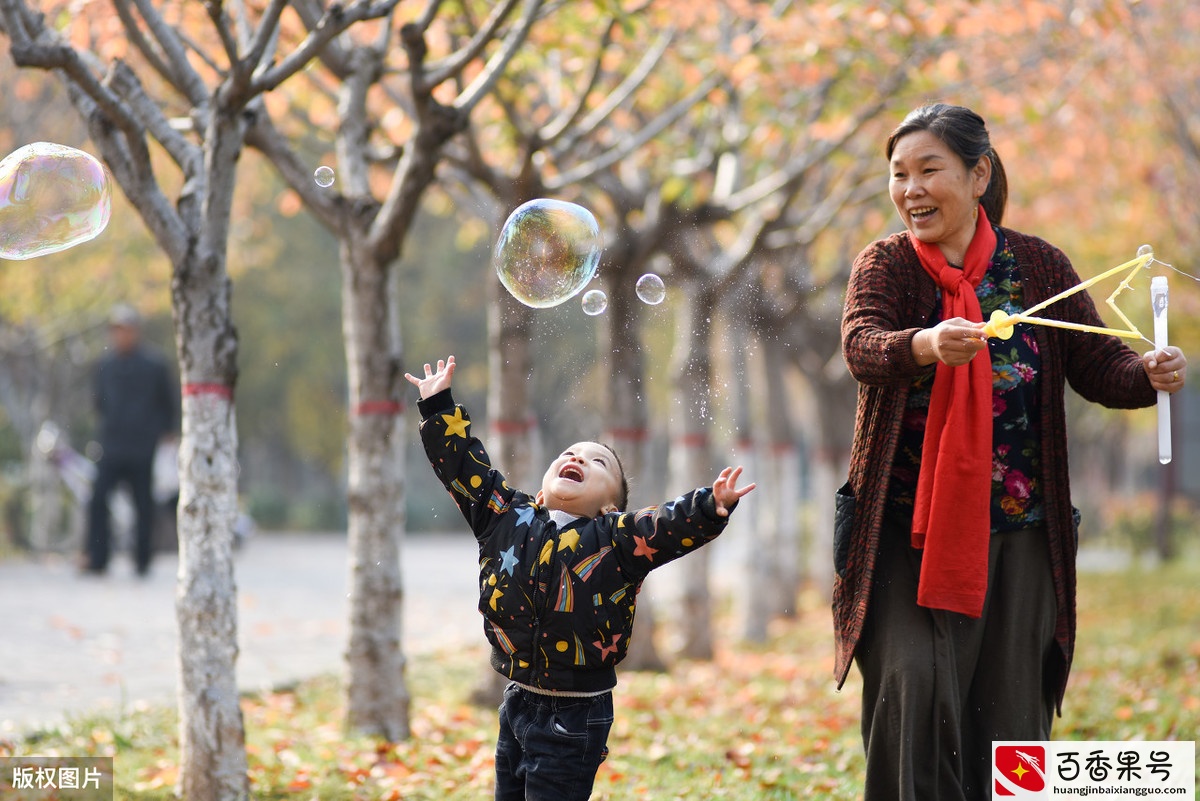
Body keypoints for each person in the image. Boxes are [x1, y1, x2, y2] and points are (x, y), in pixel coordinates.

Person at [836, 102, 1188, 800]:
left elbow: (1100, 368)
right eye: (898, 174)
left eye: (928, 169)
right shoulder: (885, 265)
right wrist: (925, 344)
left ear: (978, 174)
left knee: (1010, 717)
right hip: (906, 530)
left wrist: (1149, 375)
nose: (910, 189)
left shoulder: (1038, 266)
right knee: (909, 689)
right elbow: (861, 346)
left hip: (1021, 535)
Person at [406, 355, 755, 801]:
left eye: (598, 462)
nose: (578, 458)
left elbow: (664, 525)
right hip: (517, 698)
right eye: (569, 454)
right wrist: (438, 407)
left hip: (575, 715)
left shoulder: (617, 540)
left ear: (611, 505)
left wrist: (708, 506)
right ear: (544, 484)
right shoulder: (505, 517)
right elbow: (464, 471)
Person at [83, 303, 179, 577]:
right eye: (116, 330)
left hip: (142, 447)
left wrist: (166, 435)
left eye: (126, 330)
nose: (121, 336)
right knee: (98, 499)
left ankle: (142, 560)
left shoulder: (154, 365)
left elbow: (167, 404)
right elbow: (98, 404)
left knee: (143, 505)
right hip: (111, 445)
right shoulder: (105, 366)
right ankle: (98, 559)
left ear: (136, 331)